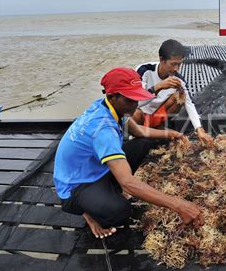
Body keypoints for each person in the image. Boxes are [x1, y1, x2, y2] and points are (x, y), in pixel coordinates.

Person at [53, 67, 204, 239]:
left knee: (142, 143)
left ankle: (107, 190)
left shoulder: (111, 107)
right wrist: (179, 205)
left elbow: (139, 131)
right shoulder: (103, 129)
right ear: (112, 96)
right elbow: (128, 183)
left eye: (136, 98)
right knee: (120, 212)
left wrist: (173, 134)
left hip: (93, 169)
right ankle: (87, 211)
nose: (135, 105)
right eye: (130, 100)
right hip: (75, 187)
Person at [133, 39, 213, 146]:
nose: (176, 69)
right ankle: (137, 133)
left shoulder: (178, 79)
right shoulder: (144, 70)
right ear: (162, 60)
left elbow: (190, 104)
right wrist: (158, 87)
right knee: (135, 113)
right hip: (142, 112)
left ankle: (158, 127)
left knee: (180, 97)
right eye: (173, 64)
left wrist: (199, 130)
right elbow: (135, 102)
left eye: (179, 64)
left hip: (157, 114)